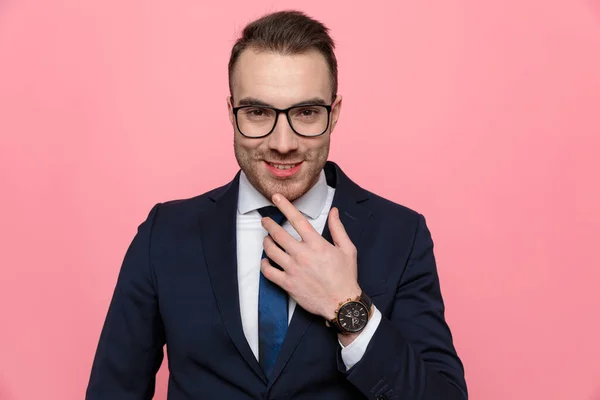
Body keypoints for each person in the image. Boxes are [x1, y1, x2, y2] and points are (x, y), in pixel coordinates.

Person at [86, 10, 467, 400]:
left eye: (305, 113)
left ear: (333, 115)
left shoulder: (400, 234)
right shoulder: (163, 234)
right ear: (231, 114)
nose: (283, 142)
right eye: (257, 113)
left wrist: (348, 308)